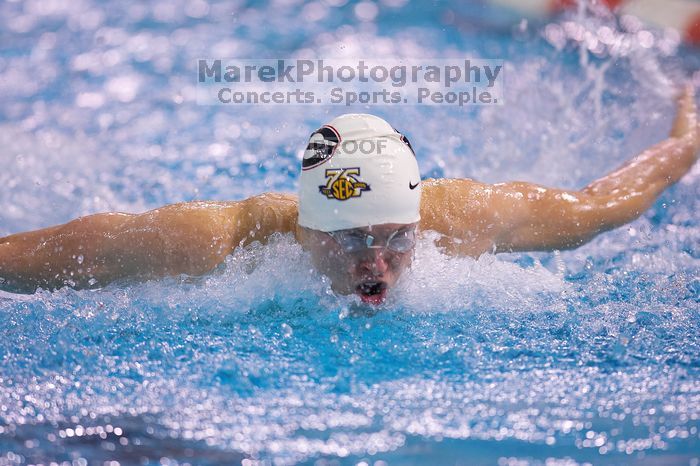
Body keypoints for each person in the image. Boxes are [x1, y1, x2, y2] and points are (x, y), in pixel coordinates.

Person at [1, 86, 698, 303]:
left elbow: (611, 202)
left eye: (396, 236)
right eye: (353, 238)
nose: (378, 264)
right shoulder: (214, 240)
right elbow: (41, 257)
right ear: (306, 229)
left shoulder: (461, 218)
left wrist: (687, 135)